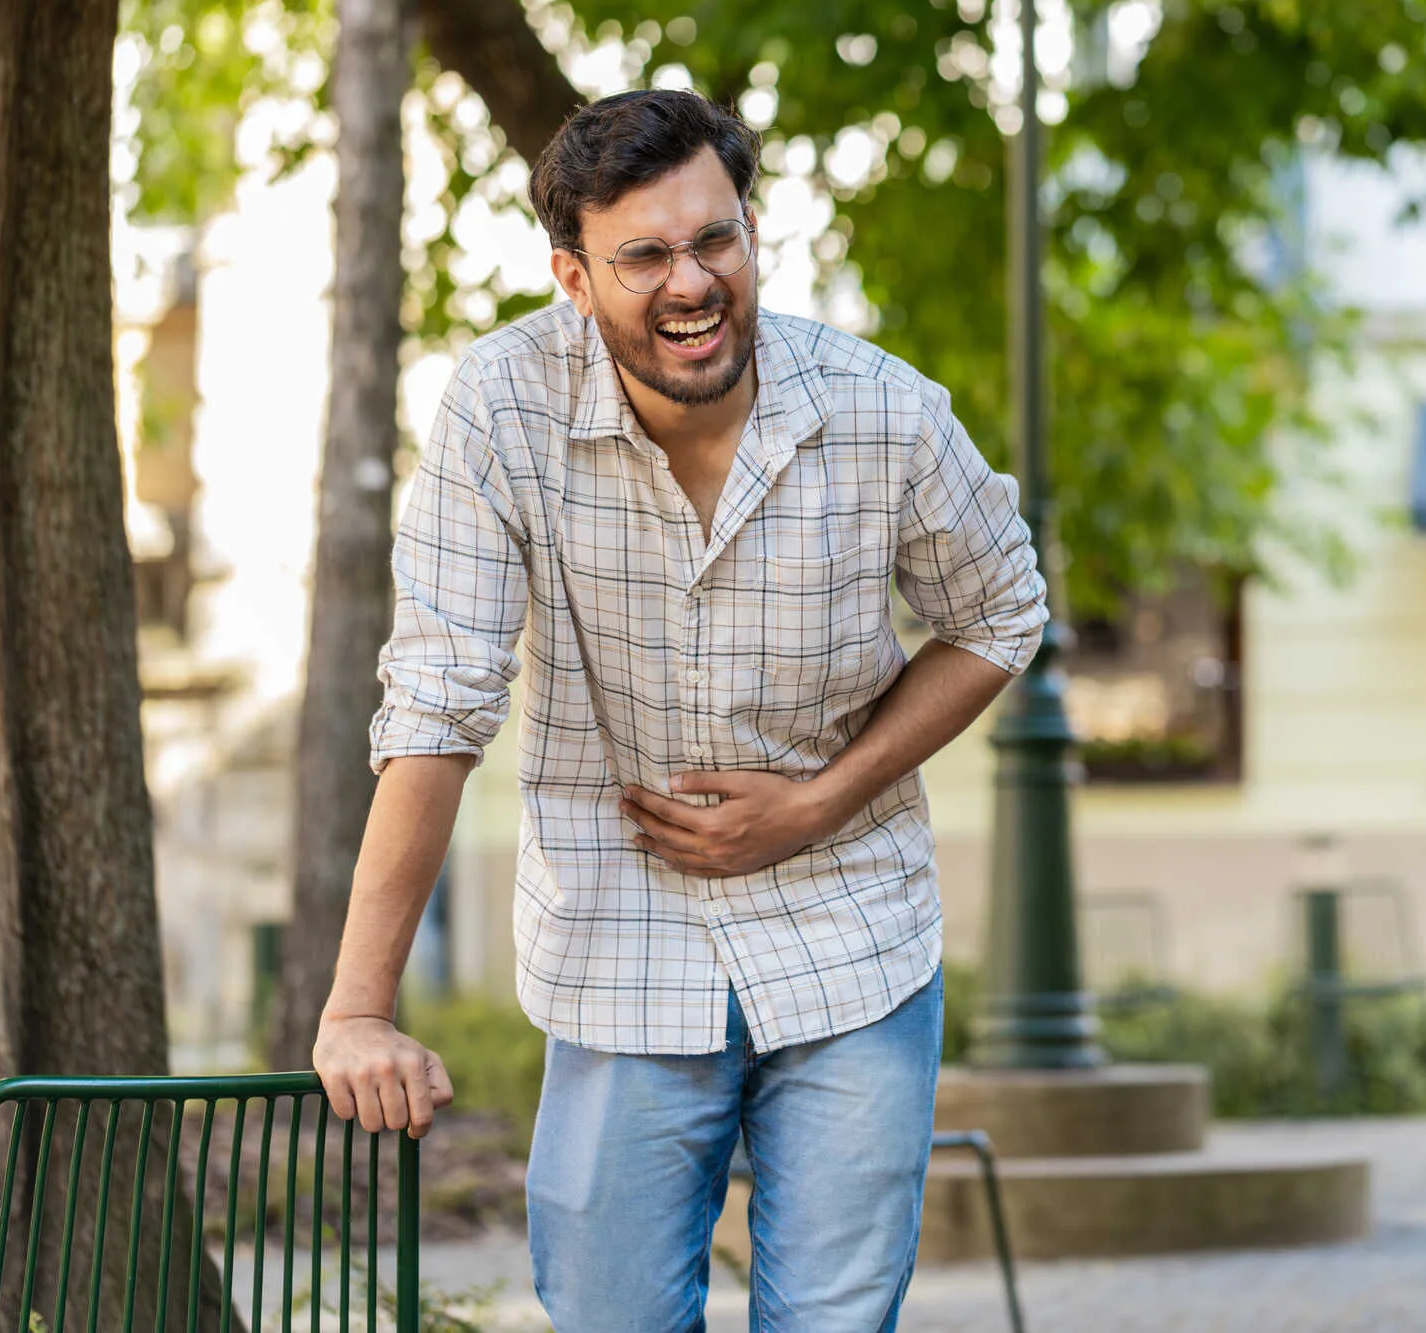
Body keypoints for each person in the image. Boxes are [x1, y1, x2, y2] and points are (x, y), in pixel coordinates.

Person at [310, 87, 1047, 1331]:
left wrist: (815, 804)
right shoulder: (500, 412)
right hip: (615, 938)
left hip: (851, 935)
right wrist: (359, 1006)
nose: (689, 282)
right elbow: (438, 698)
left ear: (751, 236)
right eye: (643, 254)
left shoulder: (882, 411)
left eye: (713, 240)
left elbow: (999, 612)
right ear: (573, 275)